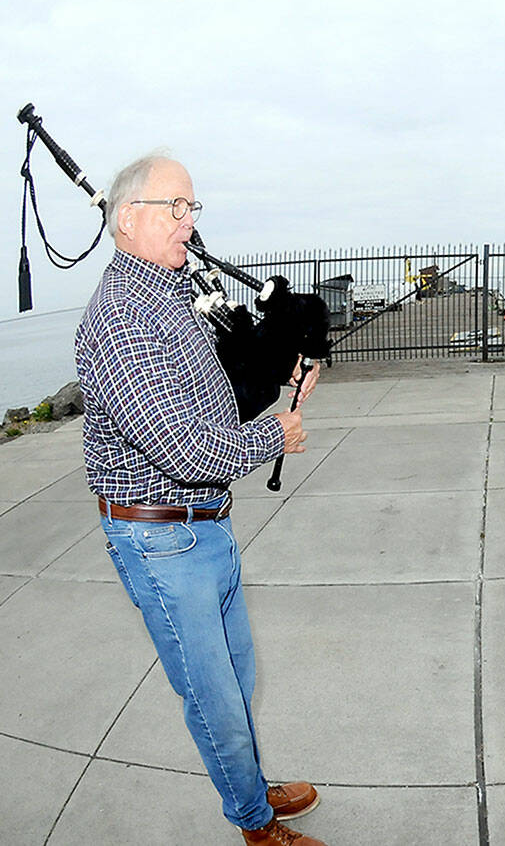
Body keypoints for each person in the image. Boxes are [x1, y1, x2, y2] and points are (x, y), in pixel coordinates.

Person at [75, 154, 327, 846]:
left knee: (238, 680)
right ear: (129, 220)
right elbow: (180, 447)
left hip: (202, 526)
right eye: (177, 208)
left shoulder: (167, 290)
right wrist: (272, 438)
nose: (191, 223)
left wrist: (279, 385)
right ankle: (254, 821)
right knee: (214, 697)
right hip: (161, 542)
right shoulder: (121, 318)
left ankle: (247, 782)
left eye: (194, 209)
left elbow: (216, 391)